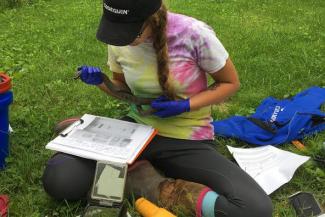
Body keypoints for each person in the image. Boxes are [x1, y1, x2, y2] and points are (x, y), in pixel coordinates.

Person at [42, 0, 273, 216]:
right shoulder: (120, 37)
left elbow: (230, 83)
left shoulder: (194, 33)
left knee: (254, 209)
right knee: (59, 180)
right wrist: (103, 82)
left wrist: (185, 105)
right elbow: (123, 89)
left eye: (133, 34)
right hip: (136, 133)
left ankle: (146, 183)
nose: (124, 40)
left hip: (185, 139)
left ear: (151, 19)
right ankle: (134, 171)